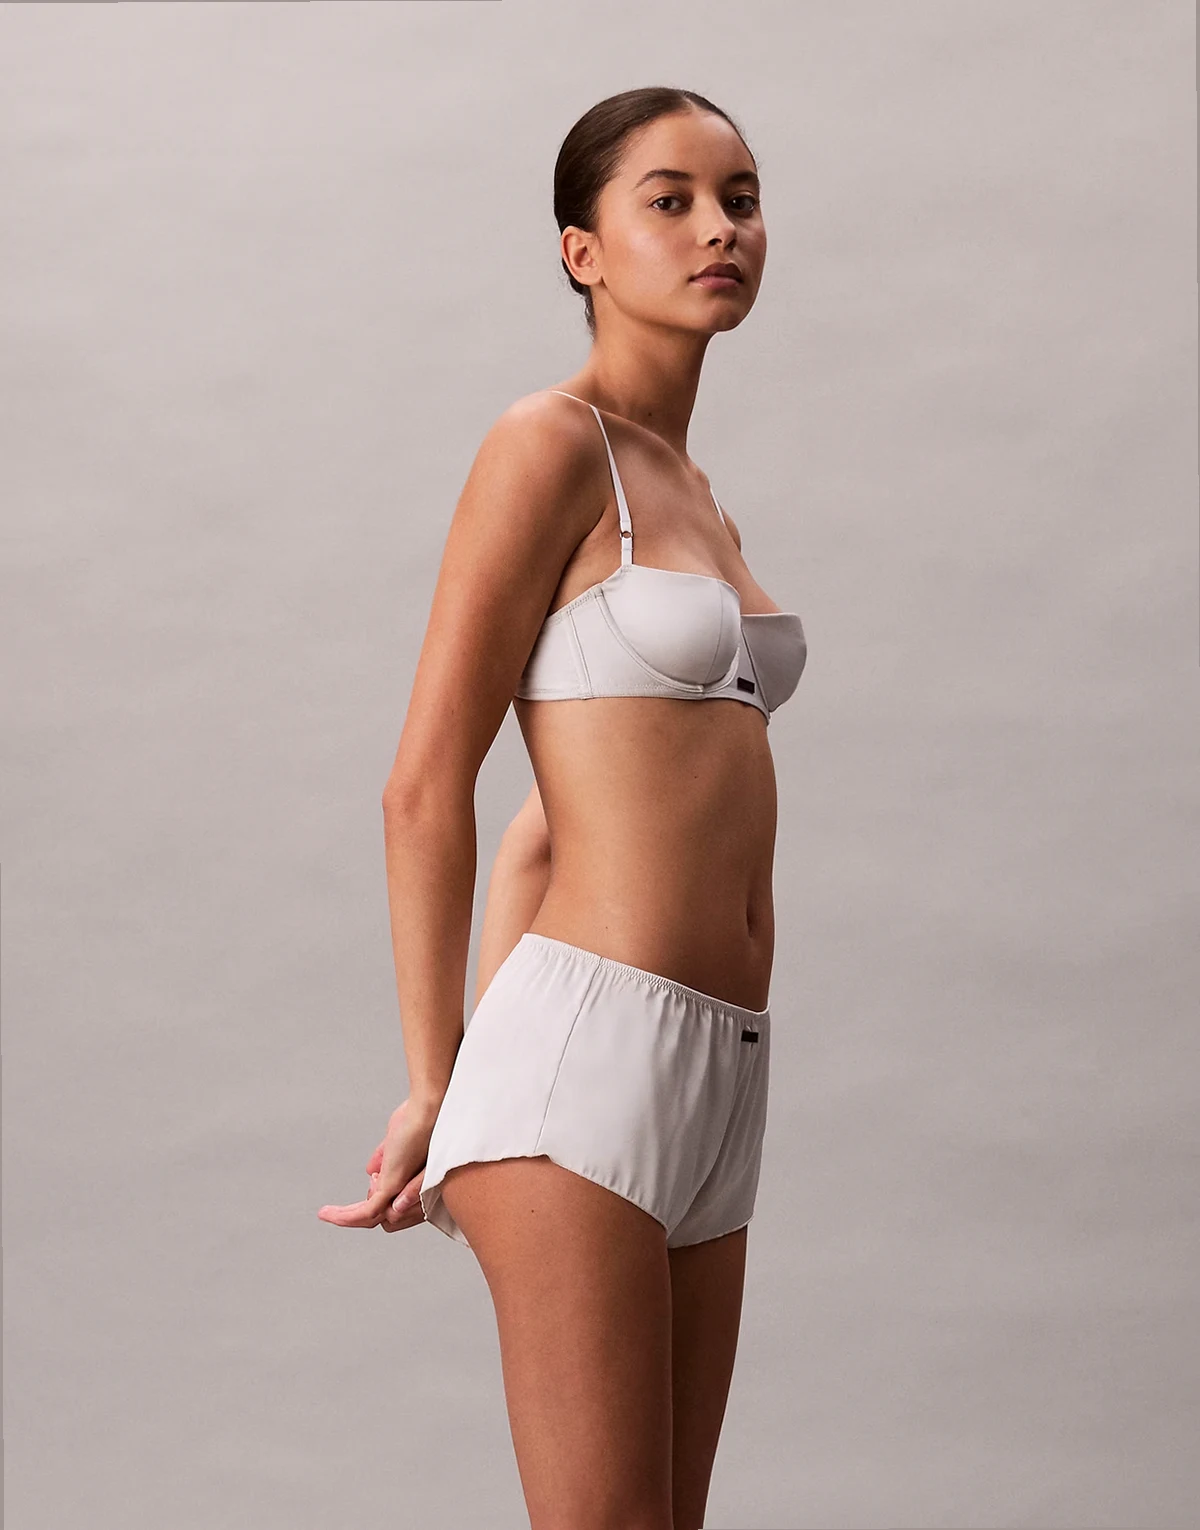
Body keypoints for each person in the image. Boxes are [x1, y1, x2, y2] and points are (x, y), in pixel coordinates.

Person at [318, 85, 807, 1530]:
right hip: (587, 1064)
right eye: (672, 200)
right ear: (581, 252)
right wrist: (443, 1081)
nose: (720, 229)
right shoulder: (549, 445)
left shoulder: (694, 495)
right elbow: (425, 783)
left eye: (741, 199)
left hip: (722, 1068)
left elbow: (548, 817)